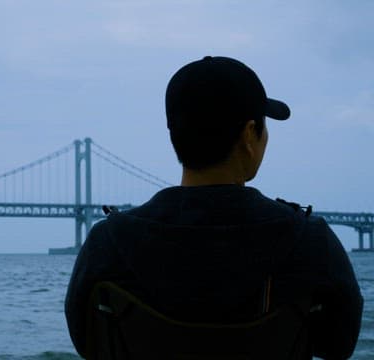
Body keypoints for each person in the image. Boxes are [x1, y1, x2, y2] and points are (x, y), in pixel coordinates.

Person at [65, 56, 363, 359]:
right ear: (249, 134)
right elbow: (337, 346)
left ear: (174, 132)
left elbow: (91, 343)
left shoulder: (108, 242)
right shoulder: (310, 238)